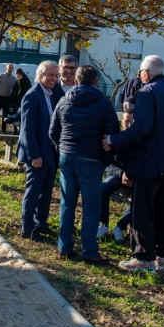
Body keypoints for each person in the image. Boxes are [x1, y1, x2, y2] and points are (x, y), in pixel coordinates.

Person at [102, 55, 164, 273]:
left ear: (146, 73)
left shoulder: (147, 92)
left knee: (143, 210)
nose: (139, 77)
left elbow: (141, 128)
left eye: (140, 73)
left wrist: (112, 140)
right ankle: (160, 257)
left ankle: (143, 257)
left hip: (150, 162)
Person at [49, 66, 120, 263]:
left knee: (67, 203)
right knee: (90, 207)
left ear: (76, 80)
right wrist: (106, 160)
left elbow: (53, 131)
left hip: (67, 156)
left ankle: (64, 247)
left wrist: (61, 149)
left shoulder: (64, 100)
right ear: (96, 81)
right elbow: (112, 134)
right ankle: (89, 251)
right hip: (91, 158)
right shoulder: (104, 103)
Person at [18, 61, 62, 240]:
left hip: (50, 152)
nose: (54, 78)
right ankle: (27, 228)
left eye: (55, 75)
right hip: (37, 154)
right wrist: (34, 155)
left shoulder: (51, 95)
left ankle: (41, 223)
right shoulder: (33, 95)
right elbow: (27, 129)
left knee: (46, 191)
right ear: (40, 76)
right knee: (33, 192)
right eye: (50, 75)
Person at [96, 110, 134, 242]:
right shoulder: (115, 138)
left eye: (132, 122)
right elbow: (109, 164)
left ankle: (121, 226)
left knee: (142, 196)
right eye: (126, 122)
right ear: (122, 122)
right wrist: (122, 174)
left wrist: (132, 176)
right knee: (102, 188)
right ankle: (103, 224)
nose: (129, 125)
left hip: (136, 178)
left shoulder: (141, 139)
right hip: (119, 176)